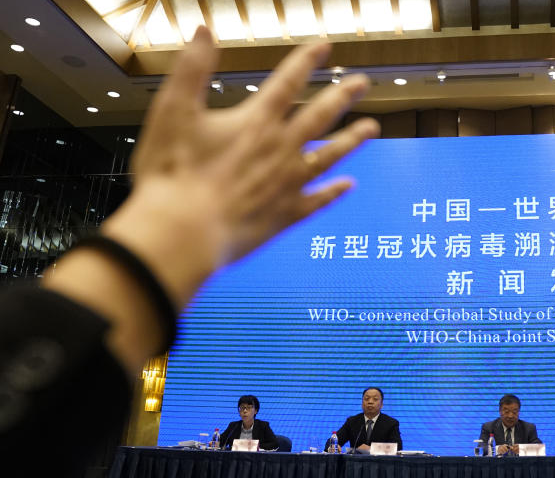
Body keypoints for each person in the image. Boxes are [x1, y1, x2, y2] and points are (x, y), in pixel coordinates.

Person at [0, 27, 379, 475]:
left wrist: (157, 233)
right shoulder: (234, 428)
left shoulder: (281, 428)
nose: (246, 414)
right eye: (244, 409)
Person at [330, 387, 403, 452]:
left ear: (381, 405)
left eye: (375, 399)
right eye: (366, 399)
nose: (370, 402)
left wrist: (372, 449)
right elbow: (334, 440)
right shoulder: (352, 421)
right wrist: (333, 446)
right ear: (362, 403)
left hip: (381, 464)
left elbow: (397, 448)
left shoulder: (391, 423)